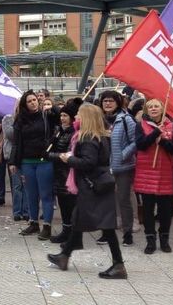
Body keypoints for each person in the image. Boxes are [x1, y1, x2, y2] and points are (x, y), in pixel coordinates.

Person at [47, 104, 127, 279]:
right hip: (96, 184)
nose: (76, 117)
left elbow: (88, 163)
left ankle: (118, 265)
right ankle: (64, 255)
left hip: (93, 186)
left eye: (78, 115)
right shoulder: (100, 135)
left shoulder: (88, 137)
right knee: (79, 219)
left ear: (87, 118)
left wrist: (69, 159)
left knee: (105, 226)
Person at [9, 90, 59, 239]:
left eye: (34, 100)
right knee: (31, 194)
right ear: (25, 104)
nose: (33, 103)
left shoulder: (46, 116)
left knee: (46, 194)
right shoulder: (20, 119)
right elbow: (16, 143)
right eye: (29, 101)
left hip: (44, 160)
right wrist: (13, 162)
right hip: (27, 161)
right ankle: (33, 223)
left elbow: (59, 116)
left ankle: (47, 226)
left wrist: (52, 108)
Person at [135, 98, 173, 254]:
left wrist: (164, 142)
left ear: (162, 109)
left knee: (165, 210)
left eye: (156, 106)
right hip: (146, 173)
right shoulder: (141, 125)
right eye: (150, 107)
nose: (153, 109)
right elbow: (140, 144)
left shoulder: (171, 126)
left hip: (165, 174)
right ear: (146, 110)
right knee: (147, 210)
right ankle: (150, 240)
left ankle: (164, 240)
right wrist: (155, 133)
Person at [99, 90, 138, 247]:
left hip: (122, 166)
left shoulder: (126, 119)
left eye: (111, 101)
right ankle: (106, 232)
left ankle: (127, 233)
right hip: (103, 165)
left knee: (123, 199)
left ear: (117, 102)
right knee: (105, 201)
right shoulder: (100, 120)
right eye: (105, 101)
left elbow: (136, 141)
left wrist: (123, 154)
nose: (107, 104)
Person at [49, 100, 79, 244]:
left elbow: (67, 155)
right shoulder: (59, 131)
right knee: (63, 205)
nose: (62, 118)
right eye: (61, 116)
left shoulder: (74, 133)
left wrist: (51, 156)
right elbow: (52, 148)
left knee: (70, 205)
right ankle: (65, 231)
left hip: (69, 174)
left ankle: (73, 235)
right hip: (58, 173)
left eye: (65, 115)